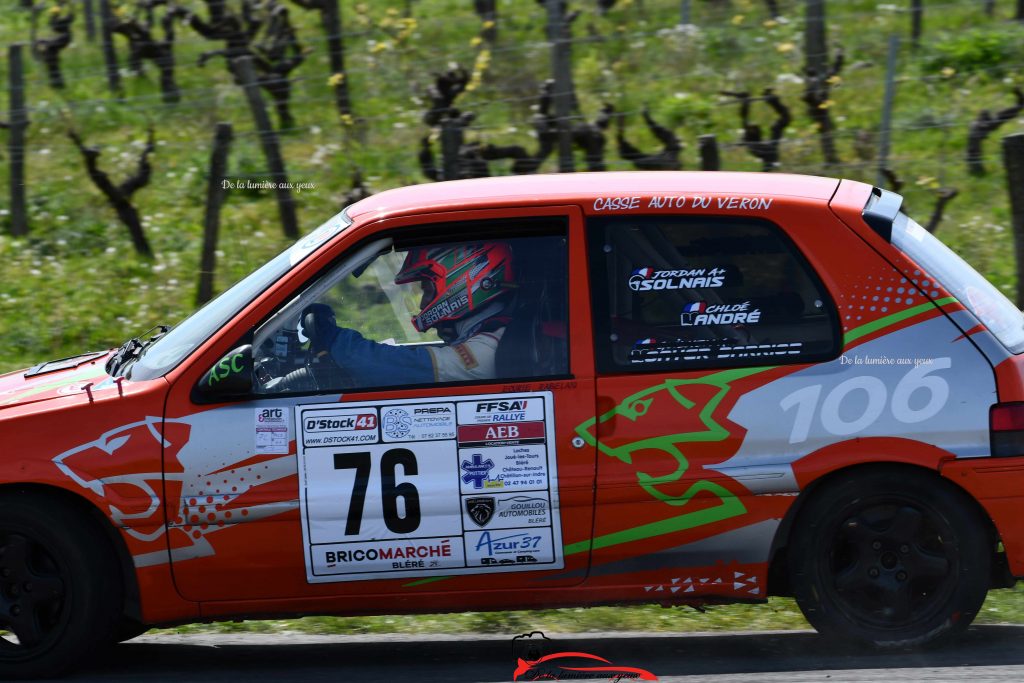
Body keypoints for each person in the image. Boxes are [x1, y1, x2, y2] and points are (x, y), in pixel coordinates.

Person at [300, 242, 515, 388]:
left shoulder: (490, 346)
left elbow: (402, 366)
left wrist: (334, 338)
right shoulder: (484, 334)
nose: (422, 303)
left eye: (428, 290)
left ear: (463, 283)